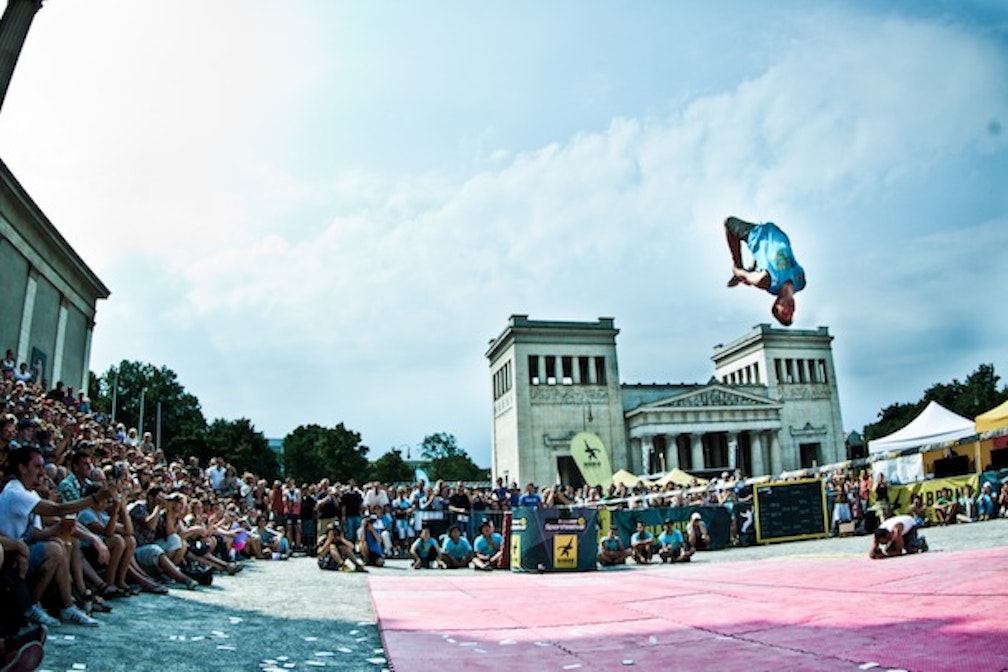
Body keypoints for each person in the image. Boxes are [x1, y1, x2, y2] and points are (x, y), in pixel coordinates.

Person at [0, 446, 110, 626]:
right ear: (22, 468)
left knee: (64, 543)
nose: (42, 472)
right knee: (54, 549)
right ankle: (33, 606)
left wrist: (57, 529)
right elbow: (58, 509)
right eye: (37, 467)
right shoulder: (15, 492)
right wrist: (95, 498)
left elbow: (35, 533)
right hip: (9, 553)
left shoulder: (30, 492)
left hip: (22, 552)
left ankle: (67, 606)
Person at [723, 216, 806, 326]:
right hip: (775, 232)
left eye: (784, 313)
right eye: (791, 314)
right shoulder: (800, 282)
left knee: (728, 222)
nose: (790, 311)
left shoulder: (768, 281)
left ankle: (738, 264)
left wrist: (738, 271)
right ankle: (751, 267)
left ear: (776, 304)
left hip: (757, 234)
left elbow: (749, 277)